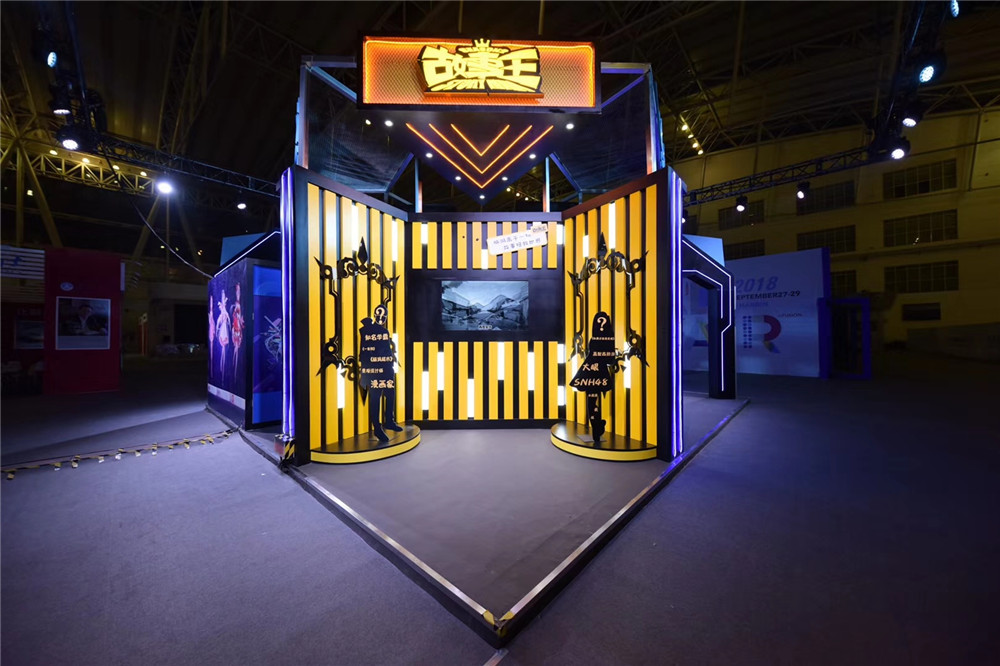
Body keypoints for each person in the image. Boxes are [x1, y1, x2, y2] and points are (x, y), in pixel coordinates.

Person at [358, 304, 403, 442]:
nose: (381, 318)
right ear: (375, 315)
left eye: (384, 316)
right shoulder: (368, 331)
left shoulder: (383, 331)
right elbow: (366, 353)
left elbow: (385, 351)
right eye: (379, 316)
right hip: (375, 369)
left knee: (390, 393)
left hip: (385, 368)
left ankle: (389, 420)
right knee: (376, 397)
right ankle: (377, 428)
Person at [570, 311, 616, 442]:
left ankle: (597, 426)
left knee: (591, 401)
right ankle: (597, 426)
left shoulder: (594, 341)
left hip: (590, 373)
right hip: (599, 375)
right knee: (593, 401)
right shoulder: (609, 339)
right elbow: (610, 360)